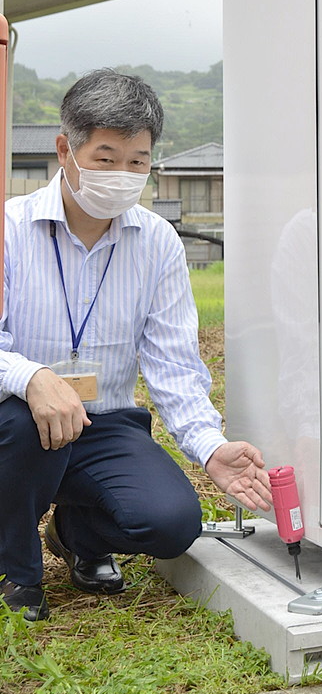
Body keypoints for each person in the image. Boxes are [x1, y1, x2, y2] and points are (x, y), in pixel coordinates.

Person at [0, 69, 273, 622]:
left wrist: (210, 446)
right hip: (19, 422)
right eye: (106, 158)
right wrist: (31, 378)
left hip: (105, 424)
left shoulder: (157, 242)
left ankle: (76, 531)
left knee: (172, 523)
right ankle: (18, 572)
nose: (122, 175)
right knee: (22, 427)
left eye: (138, 162)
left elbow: (173, 363)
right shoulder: (9, 229)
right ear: (65, 150)